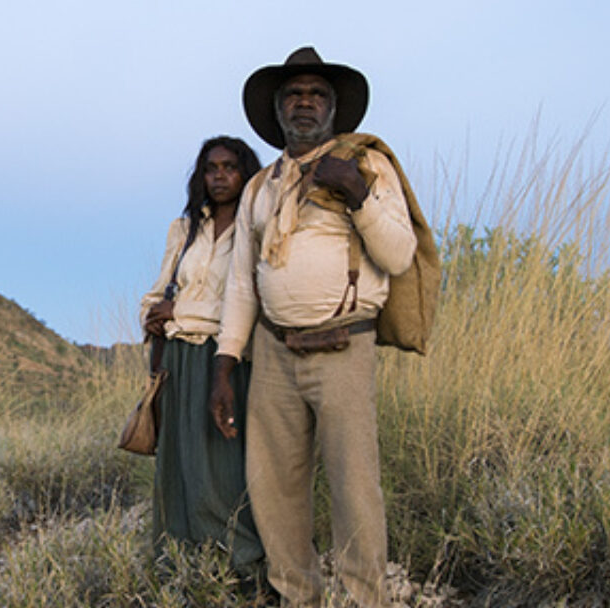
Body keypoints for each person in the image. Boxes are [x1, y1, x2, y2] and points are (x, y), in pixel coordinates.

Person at [209, 47, 418, 608]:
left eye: (316, 94)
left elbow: (399, 256)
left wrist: (355, 192)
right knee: (274, 486)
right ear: (278, 110)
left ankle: (365, 597)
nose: (305, 102)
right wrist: (225, 363)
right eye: (294, 94)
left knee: (354, 487)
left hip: (344, 345)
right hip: (274, 351)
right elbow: (241, 284)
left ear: (333, 108)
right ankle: (297, 595)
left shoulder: (367, 165)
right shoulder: (261, 186)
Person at [140, 135, 266, 579]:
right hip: (177, 358)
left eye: (230, 167)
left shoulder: (257, 227)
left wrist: (181, 311)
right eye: (211, 168)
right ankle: (180, 567)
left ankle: (239, 567)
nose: (219, 176)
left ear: (246, 173)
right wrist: (152, 317)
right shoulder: (185, 229)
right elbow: (157, 295)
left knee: (222, 468)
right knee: (178, 467)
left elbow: (249, 301)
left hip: (226, 360)